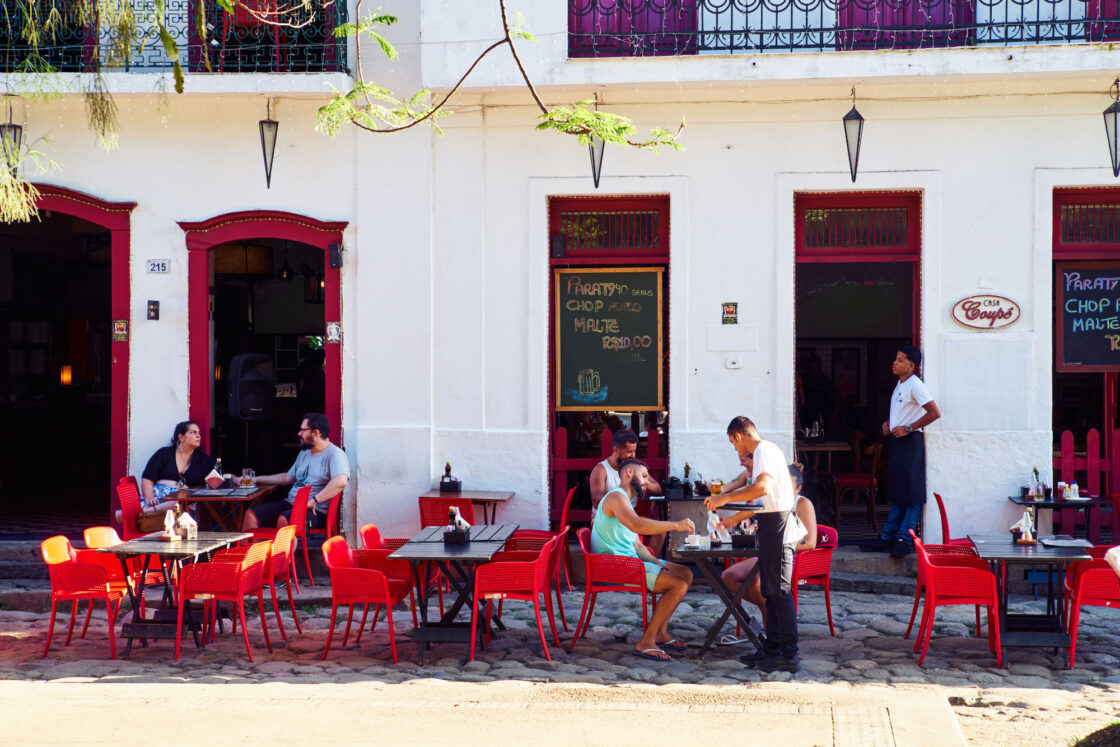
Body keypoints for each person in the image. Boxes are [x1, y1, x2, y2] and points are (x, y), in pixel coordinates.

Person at [706, 416, 804, 673]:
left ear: (739, 436)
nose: (735, 449)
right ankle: (771, 649)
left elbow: (761, 488)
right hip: (770, 523)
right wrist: (733, 519)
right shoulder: (765, 452)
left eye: (732, 443)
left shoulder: (763, 450)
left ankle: (789, 655)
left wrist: (724, 497)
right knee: (771, 592)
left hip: (779, 526)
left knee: (780, 592)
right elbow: (762, 500)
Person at [592, 458, 695, 662]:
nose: (647, 482)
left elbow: (637, 545)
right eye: (644, 475)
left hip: (628, 560)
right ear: (629, 472)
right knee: (678, 584)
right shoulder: (615, 497)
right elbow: (638, 526)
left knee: (685, 573)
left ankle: (661, 633)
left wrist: (656, 563)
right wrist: (675, 525)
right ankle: (646, 642)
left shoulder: (624, 502)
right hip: (617, 566)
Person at [860, 346, 941, 558]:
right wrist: (890, 423)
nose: (894, 363)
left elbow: (934, 413)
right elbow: (904, 413)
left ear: (912, 366)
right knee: (897, 492)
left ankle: (905, 538)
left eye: (900, 360)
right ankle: (887, 536)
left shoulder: (915, 385)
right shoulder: (900, 384)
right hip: (898, 443)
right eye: (895, 359)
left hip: (911, 443)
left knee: (912, 493)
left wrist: (908, 428)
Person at [719, 463, 818, 630]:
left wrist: (779, 546)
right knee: (729, 576)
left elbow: (810, 542)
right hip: (765, 552)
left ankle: (771, 623)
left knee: (757, 582)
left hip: (789, 555)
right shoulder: (771, 500)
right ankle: (768, 612)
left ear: (798, 488)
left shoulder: (802, 503)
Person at [241, 412, 349, 531]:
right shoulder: (305, 452)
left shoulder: (334, 454)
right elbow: (288, 477)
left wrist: (315, 500)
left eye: (303, 430)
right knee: (251, 514)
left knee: (284, 520)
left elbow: (341, 481)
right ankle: (254, 550)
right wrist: (256, 479)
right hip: (291, 504)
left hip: (314, 511)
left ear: (316, 433)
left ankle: (284, 550)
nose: (299, 433)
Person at [590, 429, 665, 554]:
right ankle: (636, 566)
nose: (633, 456)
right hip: (607, 520)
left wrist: (644, 482)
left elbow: (657, 488)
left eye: (634, 451)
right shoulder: (601, 470)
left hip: (630, 519)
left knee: (660, 531)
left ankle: (647, 566)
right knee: (632, 530)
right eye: (629, 452)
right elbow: (597, 501)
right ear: (616, 450)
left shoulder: (633, 467)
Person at [140, 421, 216, 513]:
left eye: (199, 433)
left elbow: (219, 473)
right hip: (158, 498)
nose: (198, 436)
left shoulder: (202, 459)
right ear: (181, 437)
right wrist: (149, 498)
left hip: (181, 503)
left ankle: (145, 512)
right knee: (180, 502)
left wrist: (236, 479)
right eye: (193, 432)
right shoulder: (164, 454)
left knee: (183, 502)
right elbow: (147, 478)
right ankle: (148, 511)